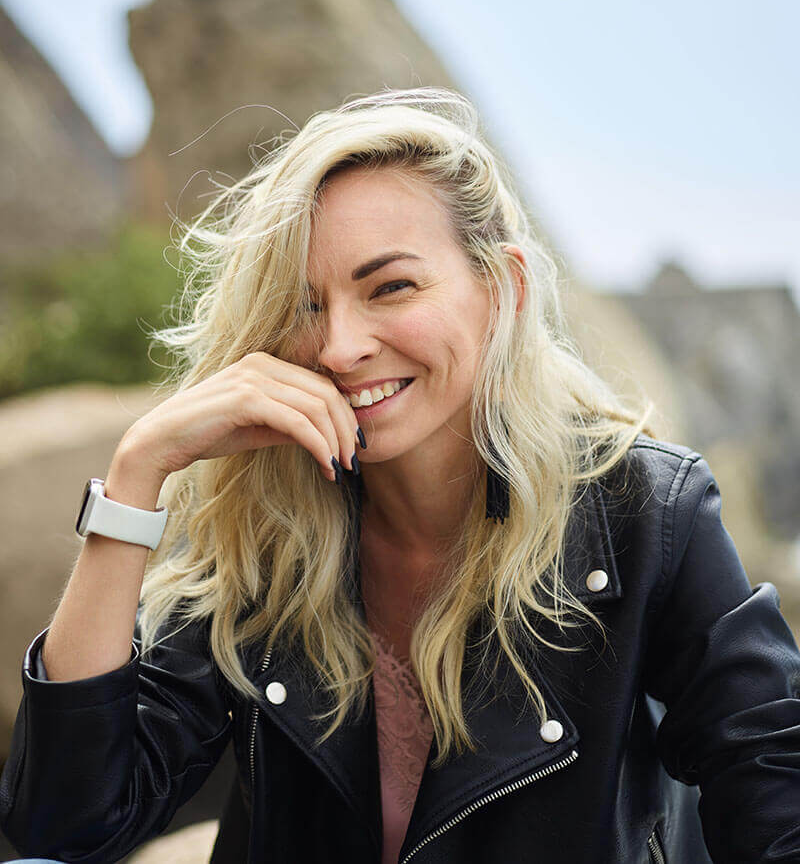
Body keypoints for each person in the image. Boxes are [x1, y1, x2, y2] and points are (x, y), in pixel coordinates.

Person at [1, 87, 799, 864]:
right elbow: (68, 823)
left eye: (391, 287)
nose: (341, 346)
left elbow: (771, 791)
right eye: (306, 304)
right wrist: (139, 470)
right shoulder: (267, 529)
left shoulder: (646, 511)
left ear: (503, 290)